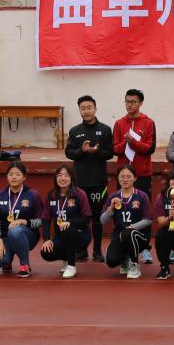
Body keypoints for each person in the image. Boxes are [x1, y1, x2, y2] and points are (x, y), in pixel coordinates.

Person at [64, 95, 113, 263]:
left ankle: (97, 251)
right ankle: (81, 250)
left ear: (95, 108)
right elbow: (69, 152)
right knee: (80, 217)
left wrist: (97, 151)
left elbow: (110, 153)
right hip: (80, 182)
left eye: (89, 107)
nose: (86, 111)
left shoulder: (105, 130)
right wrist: (82, 151)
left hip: (98, 182)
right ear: (79, 110)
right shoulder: (74, 131)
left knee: (97, 218)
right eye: (83, 108)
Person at [113, 89, 156, 264]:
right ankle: (123, 246)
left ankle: (145, 248)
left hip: (142, 174)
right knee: (122, 211)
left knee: (144, 211)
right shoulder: (119, 123)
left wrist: (134, 142)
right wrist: (125, 143)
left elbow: (150, 148)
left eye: (133, 102)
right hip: (123, 176)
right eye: (127, 101)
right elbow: (114, 149)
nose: (129, 105)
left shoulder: (148, 122)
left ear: (140, 103)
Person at [0, 162, 44, 278]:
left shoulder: (33, 195)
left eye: (18, 174)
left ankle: (25, 265)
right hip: (5, 237)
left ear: (24, 177)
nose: (14, 177)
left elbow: (41, 221)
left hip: (28, 235)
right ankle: (8, 259)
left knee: (15, 230)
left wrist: (25, 222)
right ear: (7, 176)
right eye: (11, 174)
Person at [100, 165, 152, 280]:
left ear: (135, 178)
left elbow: (148, 220)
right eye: (122, 176)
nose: (125, 179)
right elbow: (103, 221)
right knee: (111, 261)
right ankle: (125, 258)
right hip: (119, 236)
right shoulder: (113, 197)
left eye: (128, 176)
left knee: (128, 233)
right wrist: (110, 209)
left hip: (139, 236)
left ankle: (134, 264)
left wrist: (132, 227)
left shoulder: (142, 196)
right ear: (118, 178)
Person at [40, 164, 92, 279]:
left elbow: (87, 217)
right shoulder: (51, 194)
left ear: (72, 178)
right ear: (55, 178)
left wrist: (70, 222)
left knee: (68, 229)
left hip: (80, 235)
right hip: (61, 236)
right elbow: (46, 218)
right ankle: (66, 258)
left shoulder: (79, 194)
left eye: (66, 175)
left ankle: (71, 265)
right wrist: (47, 239)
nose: (63, 178)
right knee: (46, 252)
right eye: (60, 175)